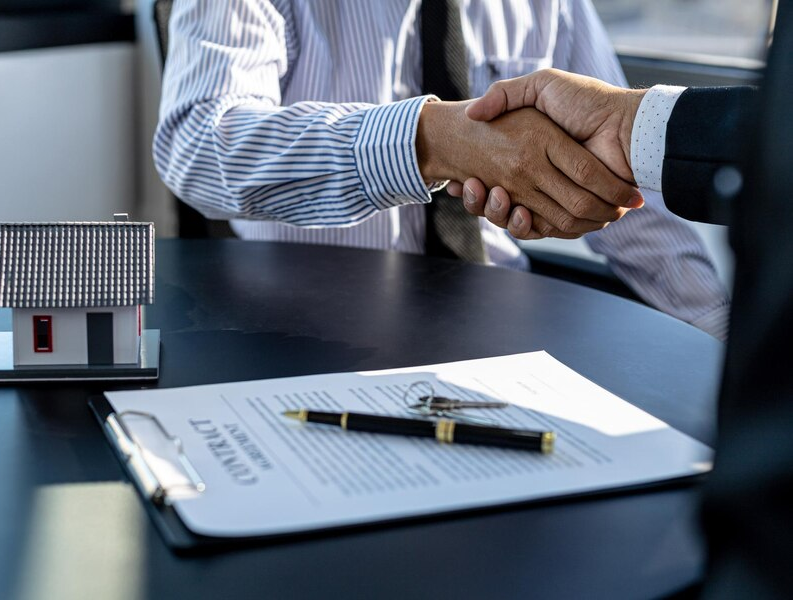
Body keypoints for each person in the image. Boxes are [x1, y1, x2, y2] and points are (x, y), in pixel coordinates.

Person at [453, 7, 793, 593]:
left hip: (513, 351)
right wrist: (427, 137)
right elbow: (231, 141)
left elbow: (636, 211)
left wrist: (717, 342)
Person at [154, 0, 729, 340]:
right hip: (296, 332)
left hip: (505, 328)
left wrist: (721, 333)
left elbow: (628, 185)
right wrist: (431, 141)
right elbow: (200, 142)